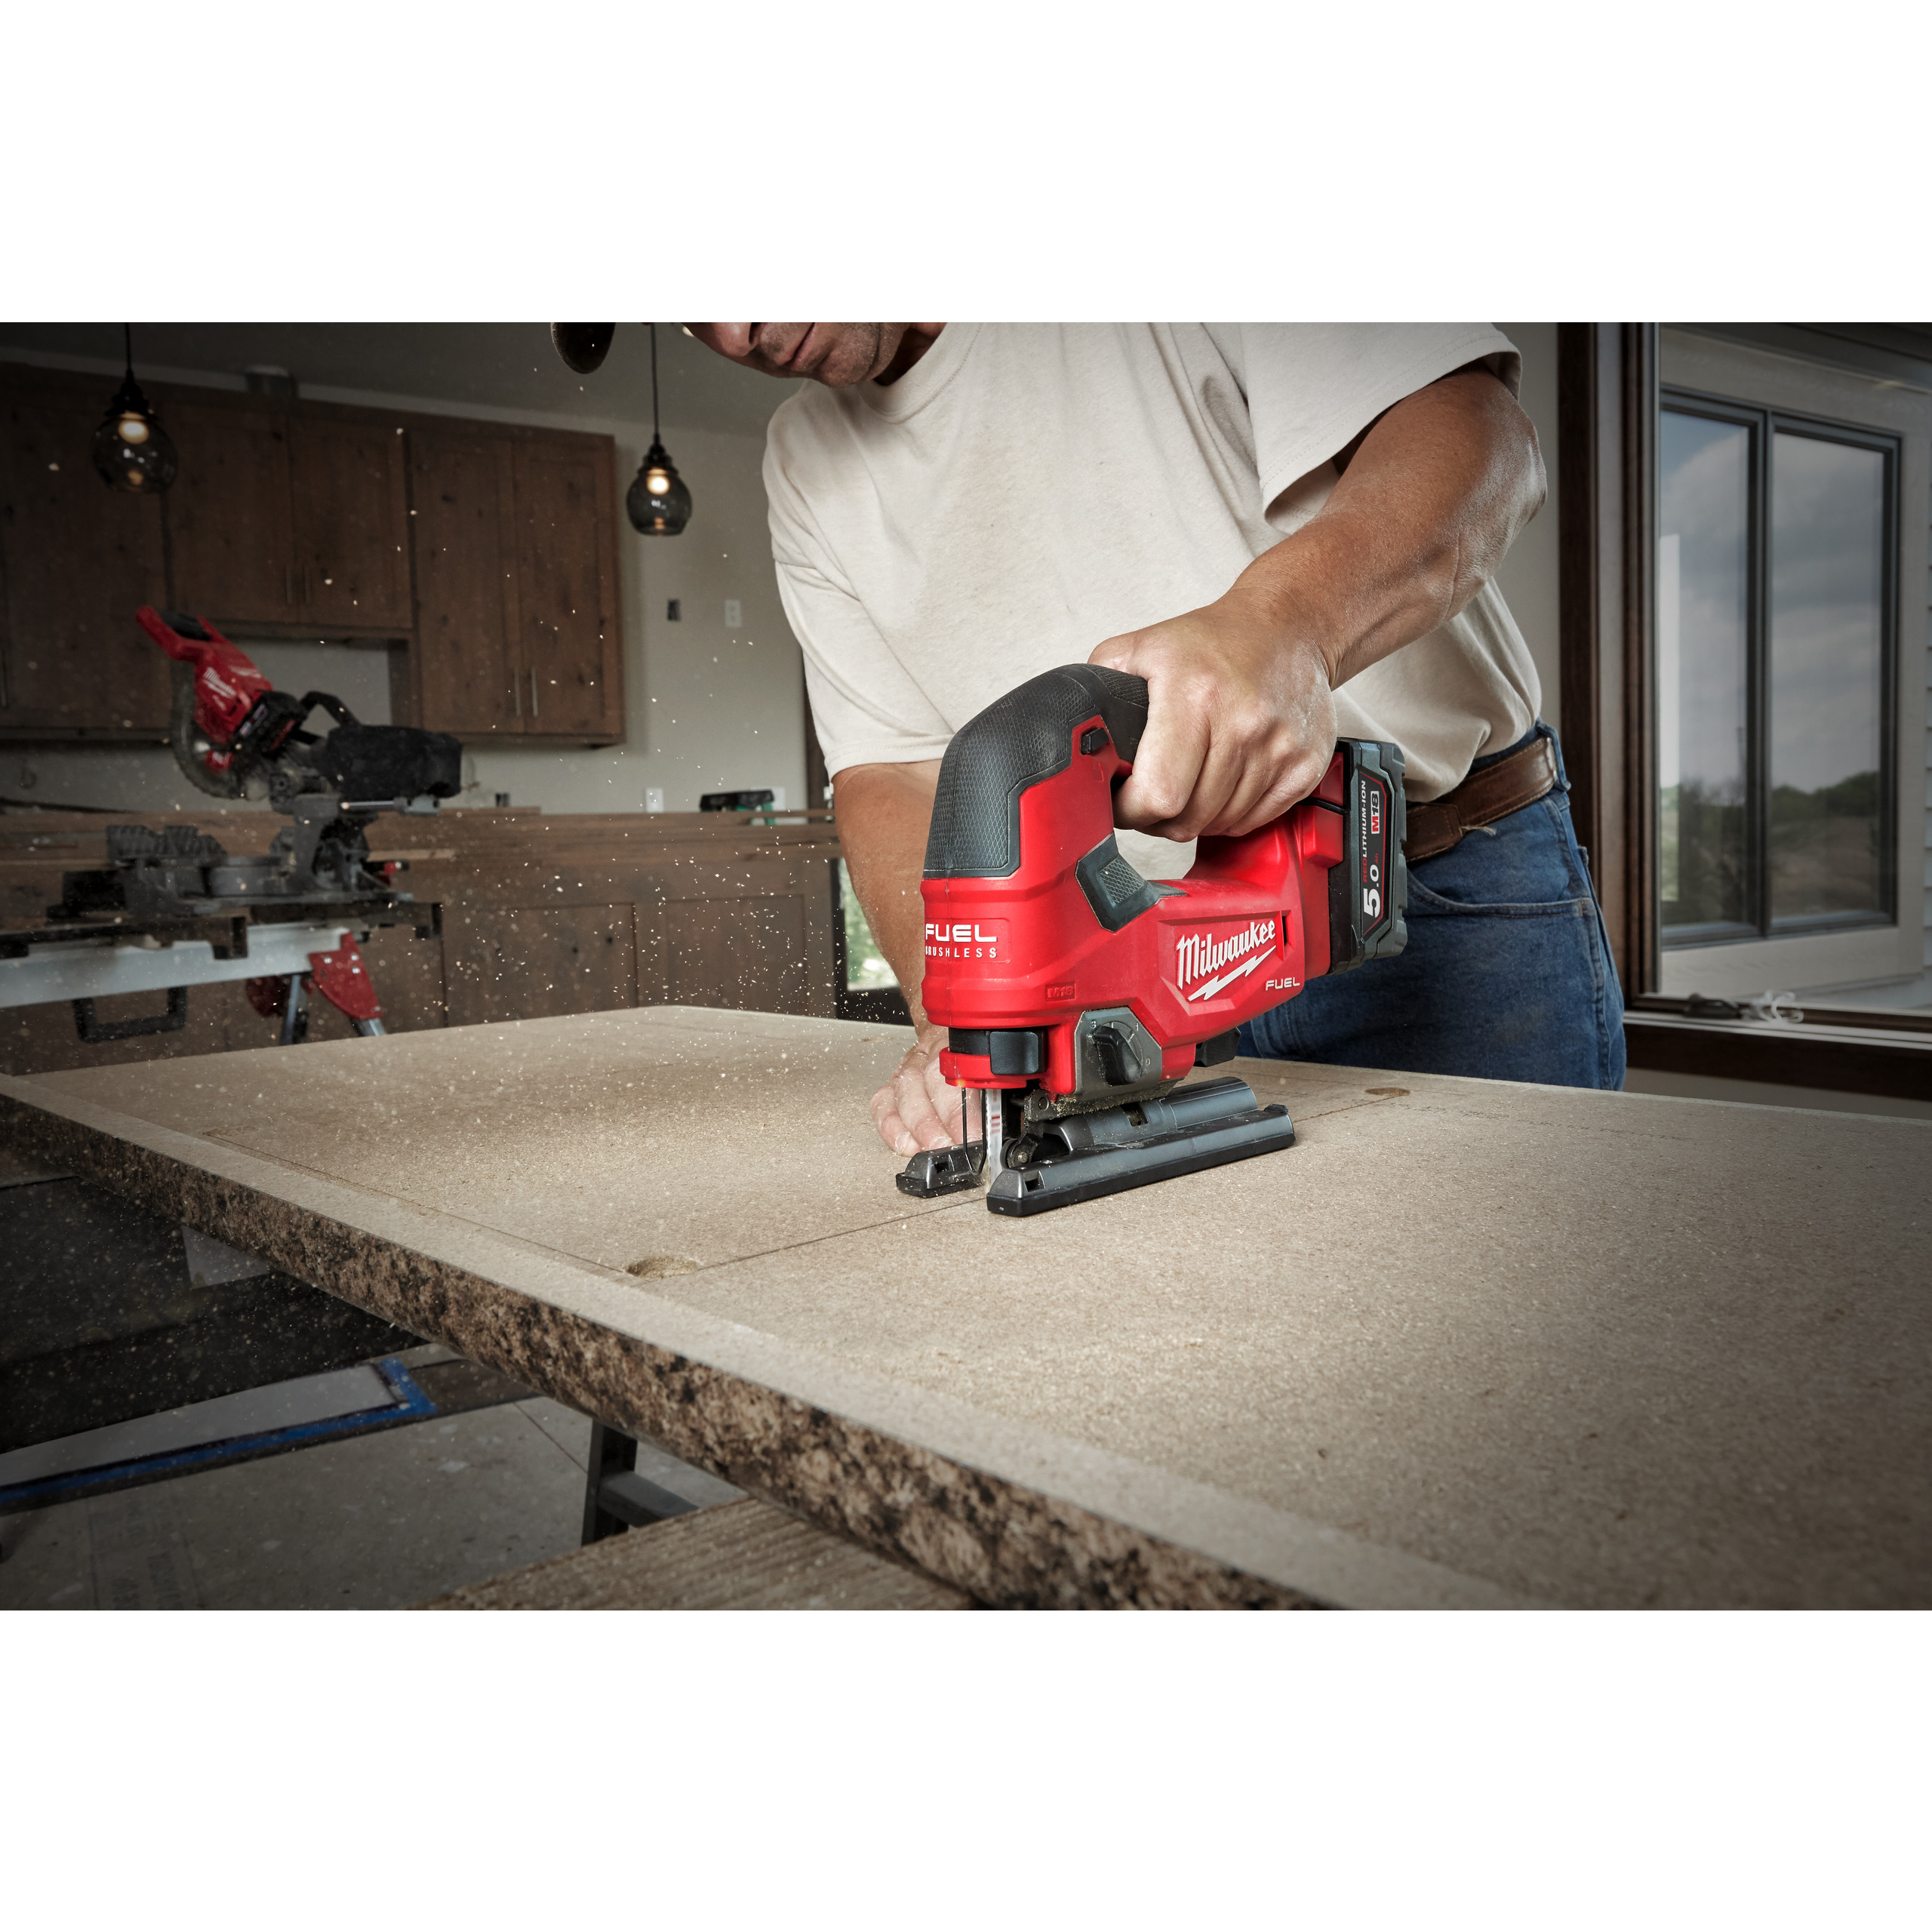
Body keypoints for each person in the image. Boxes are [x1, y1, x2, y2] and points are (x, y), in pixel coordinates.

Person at [689, 324, 1626, 1159]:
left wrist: (1285, 625)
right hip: (1128, 967)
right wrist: (966, 1014)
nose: (735, 334)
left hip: (1427, 885)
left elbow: (1479, 432)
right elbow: (889, 772)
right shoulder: (802, 458)